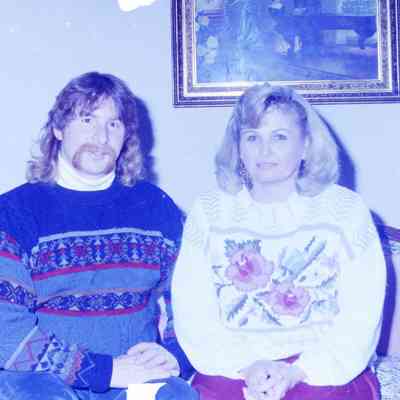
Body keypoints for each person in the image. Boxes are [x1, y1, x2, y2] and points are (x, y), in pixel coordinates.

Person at [172, 83, 385, 400]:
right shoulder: (209, 211)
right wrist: (247, 366)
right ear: (238, 147)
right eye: (252, 137)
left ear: (306, 145)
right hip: (235, 368)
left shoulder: (346, 210)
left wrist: (297, 372)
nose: (264, 150)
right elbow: (193, 312)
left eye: (280, 137)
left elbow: (360, 316)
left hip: (324, 371)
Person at [0, 72, 197, 400]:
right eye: (87, 119)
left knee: (172, 396)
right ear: (58, 128)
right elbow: (5, 330)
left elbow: (188, 300)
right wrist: (101, 371)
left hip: (133, 383)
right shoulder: (14, 213)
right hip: (43, 381)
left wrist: (176, 354)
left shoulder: (155, 207)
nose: (101, 136)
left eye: (114, 124)